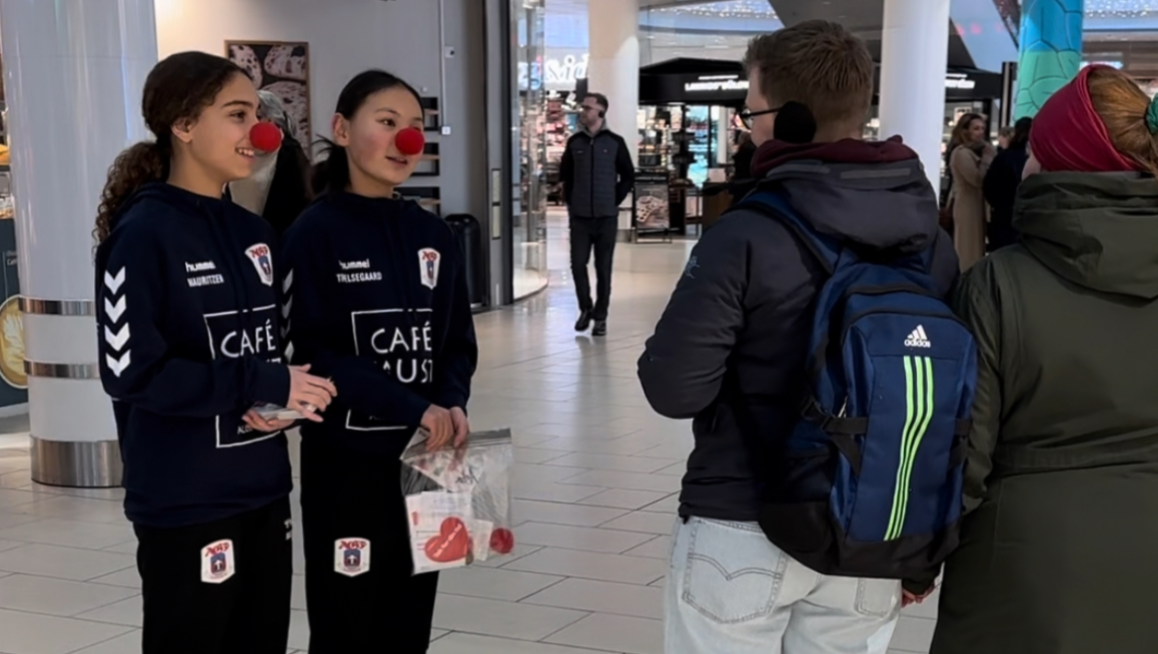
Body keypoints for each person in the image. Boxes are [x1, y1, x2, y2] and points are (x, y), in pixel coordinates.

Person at [638, 21, 958, 654]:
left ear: (789, 121)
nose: (747, 128)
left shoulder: (746, 233)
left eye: (751, 112)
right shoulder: (930, 241)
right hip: (872, 524)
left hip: (742, 515)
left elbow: (674, 389)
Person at [92, 51, 337, 654]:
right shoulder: (140, 237)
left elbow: (267, 356)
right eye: (236, 114)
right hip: (186, 501)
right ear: (182, 124)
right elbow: (132, 374)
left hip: (264, 489)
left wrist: (282, 399)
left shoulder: (256, 235)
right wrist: (262, 382)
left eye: (258, 113)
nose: (259, 132)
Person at [932, 64, 1158, 654]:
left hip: (1024, 572)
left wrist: (915, 562)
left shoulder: (997, 284)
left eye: (1036, 151)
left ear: (1061, 163)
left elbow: (964, 452)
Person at [281, 69, 478, 652]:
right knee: (347, 625)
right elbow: (316, 355)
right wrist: (413, 407)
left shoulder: (432, 234)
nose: (406, 141)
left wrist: (452, 401)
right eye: (387, 123)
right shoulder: (312, 234)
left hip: (429, 462)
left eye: (416, 127)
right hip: (348, 466)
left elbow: (455, 340)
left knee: (409, 622)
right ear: (342, 130)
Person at [559, 92, 635, 336]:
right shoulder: (574, 143)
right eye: (583, 107)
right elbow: (565, 175)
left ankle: (601, 317)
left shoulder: (615, 142)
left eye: (587, 108)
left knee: (603, 268)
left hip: (606, 218)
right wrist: (572, 203)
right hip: (580, 218)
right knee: (577, 264)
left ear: (600, 112)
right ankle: (585, 308)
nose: (583, 111)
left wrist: (614, 199)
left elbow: (628, 175)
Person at [226, 89, 313, 235]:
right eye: (241, 116)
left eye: (258, 116)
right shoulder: (233, 152)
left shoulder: (290, 154)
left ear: (271, 121)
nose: (249, 124)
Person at [947, 113, 995, 270]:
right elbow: (977, 179)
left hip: (978, 205)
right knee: (967, 249)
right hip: (967, 206)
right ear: (965, 131)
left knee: (977, 249)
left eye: (982, 128)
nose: (980, 132)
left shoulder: (978, 151)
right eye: (976, 128)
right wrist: (987, 159)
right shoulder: (961, 153)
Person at [982, 116, 1032, 251]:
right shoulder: (1036, 158)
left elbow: (989, 187)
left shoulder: (1004, 157)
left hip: (1004, 216)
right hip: (1028, 217)